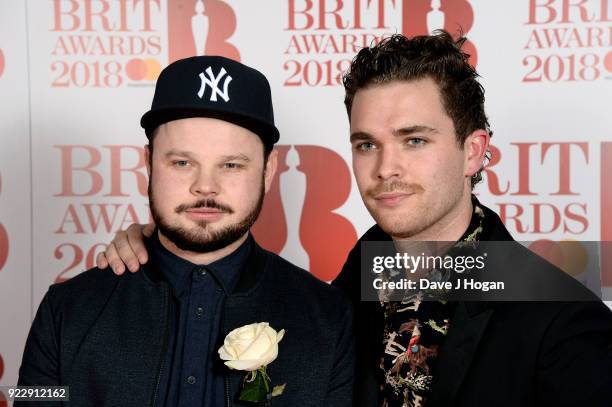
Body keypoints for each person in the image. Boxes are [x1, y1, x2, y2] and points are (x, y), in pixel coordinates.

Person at [96, 32, 612, 406]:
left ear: (473, 152)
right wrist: (168, 249)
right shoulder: (345, 287)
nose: (386, 168)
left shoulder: (562, 319)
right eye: (367, 144)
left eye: (414, 140)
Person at [17, 56, 354, 407]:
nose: (205, 187)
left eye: (231, 164)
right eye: (182, 163)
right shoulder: (66, 310)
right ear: (148, 162)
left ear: (268, 171)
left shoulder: (328, 318)